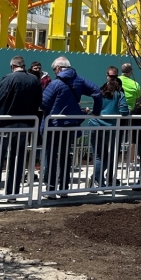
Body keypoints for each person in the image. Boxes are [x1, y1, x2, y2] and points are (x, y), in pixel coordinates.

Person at [39, 57, 102, 195]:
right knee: (65, 156)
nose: (54, 72)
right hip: (71, 125)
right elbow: (97, 92)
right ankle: (64, 188)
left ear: (59, 68)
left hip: (54, 126)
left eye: (54, 69)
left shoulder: (55, 84)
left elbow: (43, 103)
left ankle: (51, 188)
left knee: (51, 156)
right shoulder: (79, 80)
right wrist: (96, 112)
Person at [0, 55, 42, 200]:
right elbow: (39, 101)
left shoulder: (8, 78)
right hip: (26, 125)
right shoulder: (34, 80)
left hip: (6, 123)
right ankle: (13, 192)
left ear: (12, 66)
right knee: (17, 159)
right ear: (23, 65)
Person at [88, 67, 129, 188]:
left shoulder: (99, 91)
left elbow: (95, 108)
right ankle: (97, 179)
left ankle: (97, 180)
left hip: (95, 125)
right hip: (110, 128)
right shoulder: (119, 93)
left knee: (99, 156)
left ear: (107, 76)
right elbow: (124, 111)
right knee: (109, 156)